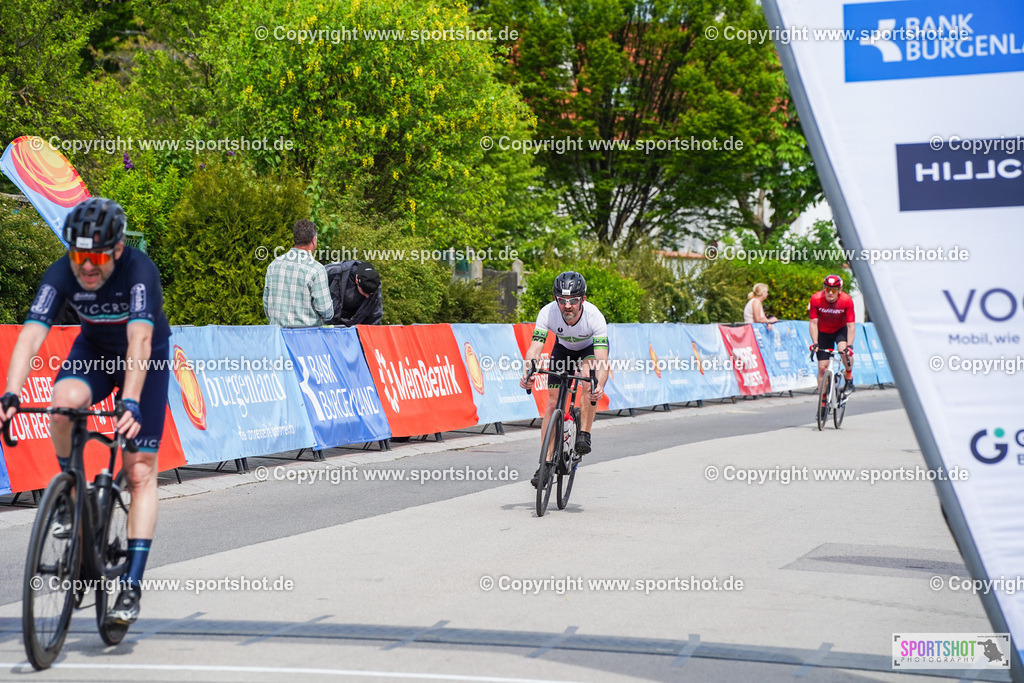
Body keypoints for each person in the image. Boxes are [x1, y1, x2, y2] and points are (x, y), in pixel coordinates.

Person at [0, 197, 170, 626]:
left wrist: (129, 400)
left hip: (144, 361)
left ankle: (130, 586)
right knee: (60, 408)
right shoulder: (62, 273)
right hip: (93, 352)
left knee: (139, 471)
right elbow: (29, 336)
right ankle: (70, 499)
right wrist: (10, 393)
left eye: (95, 258)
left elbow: (140, 344)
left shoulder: (139, 272)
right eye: (79, 257)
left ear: (115, 249)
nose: (86, 268)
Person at [519, 271, 609, 487]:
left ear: (583, 300)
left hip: (588, 349)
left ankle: (584, 433)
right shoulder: (548, 313)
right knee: (552, 403)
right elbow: (535, 348)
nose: (567, 306)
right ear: (556, 299)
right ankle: (546, 462)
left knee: (589, 378)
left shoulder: (594, 317)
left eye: (574, 301)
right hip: (563, 350)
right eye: (562, 300)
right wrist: (528, 372)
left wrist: (600, 384)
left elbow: (602, 359)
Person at [262, 220, 333, 327]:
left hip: (278, 337)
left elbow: (266, 303)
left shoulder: (274, 265)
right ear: (314, 240)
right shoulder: (316, 269)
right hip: (306, 338)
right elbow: (326, 311)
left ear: (295, 239)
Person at [808, 274, 856, 397]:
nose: (830, 293)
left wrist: (849, 346)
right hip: (823, 333)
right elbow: (813, 323)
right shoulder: (815, 299)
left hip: (840, 331)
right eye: (827, 289)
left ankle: (849, 376)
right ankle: (823, 402)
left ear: (839, 291)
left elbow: (851, 326)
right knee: (822, 368)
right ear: (824, 289)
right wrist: (814, 342)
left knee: (843, 351)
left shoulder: (846, 300)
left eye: (833, 290)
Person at [325, 260, 383, 326]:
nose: (367, 296)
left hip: (353, 327)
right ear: (357, 281)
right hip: (327, 321)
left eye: (370, 294)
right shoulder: (333, 272)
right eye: (364, 292)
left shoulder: (374, 284)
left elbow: (375, 317)